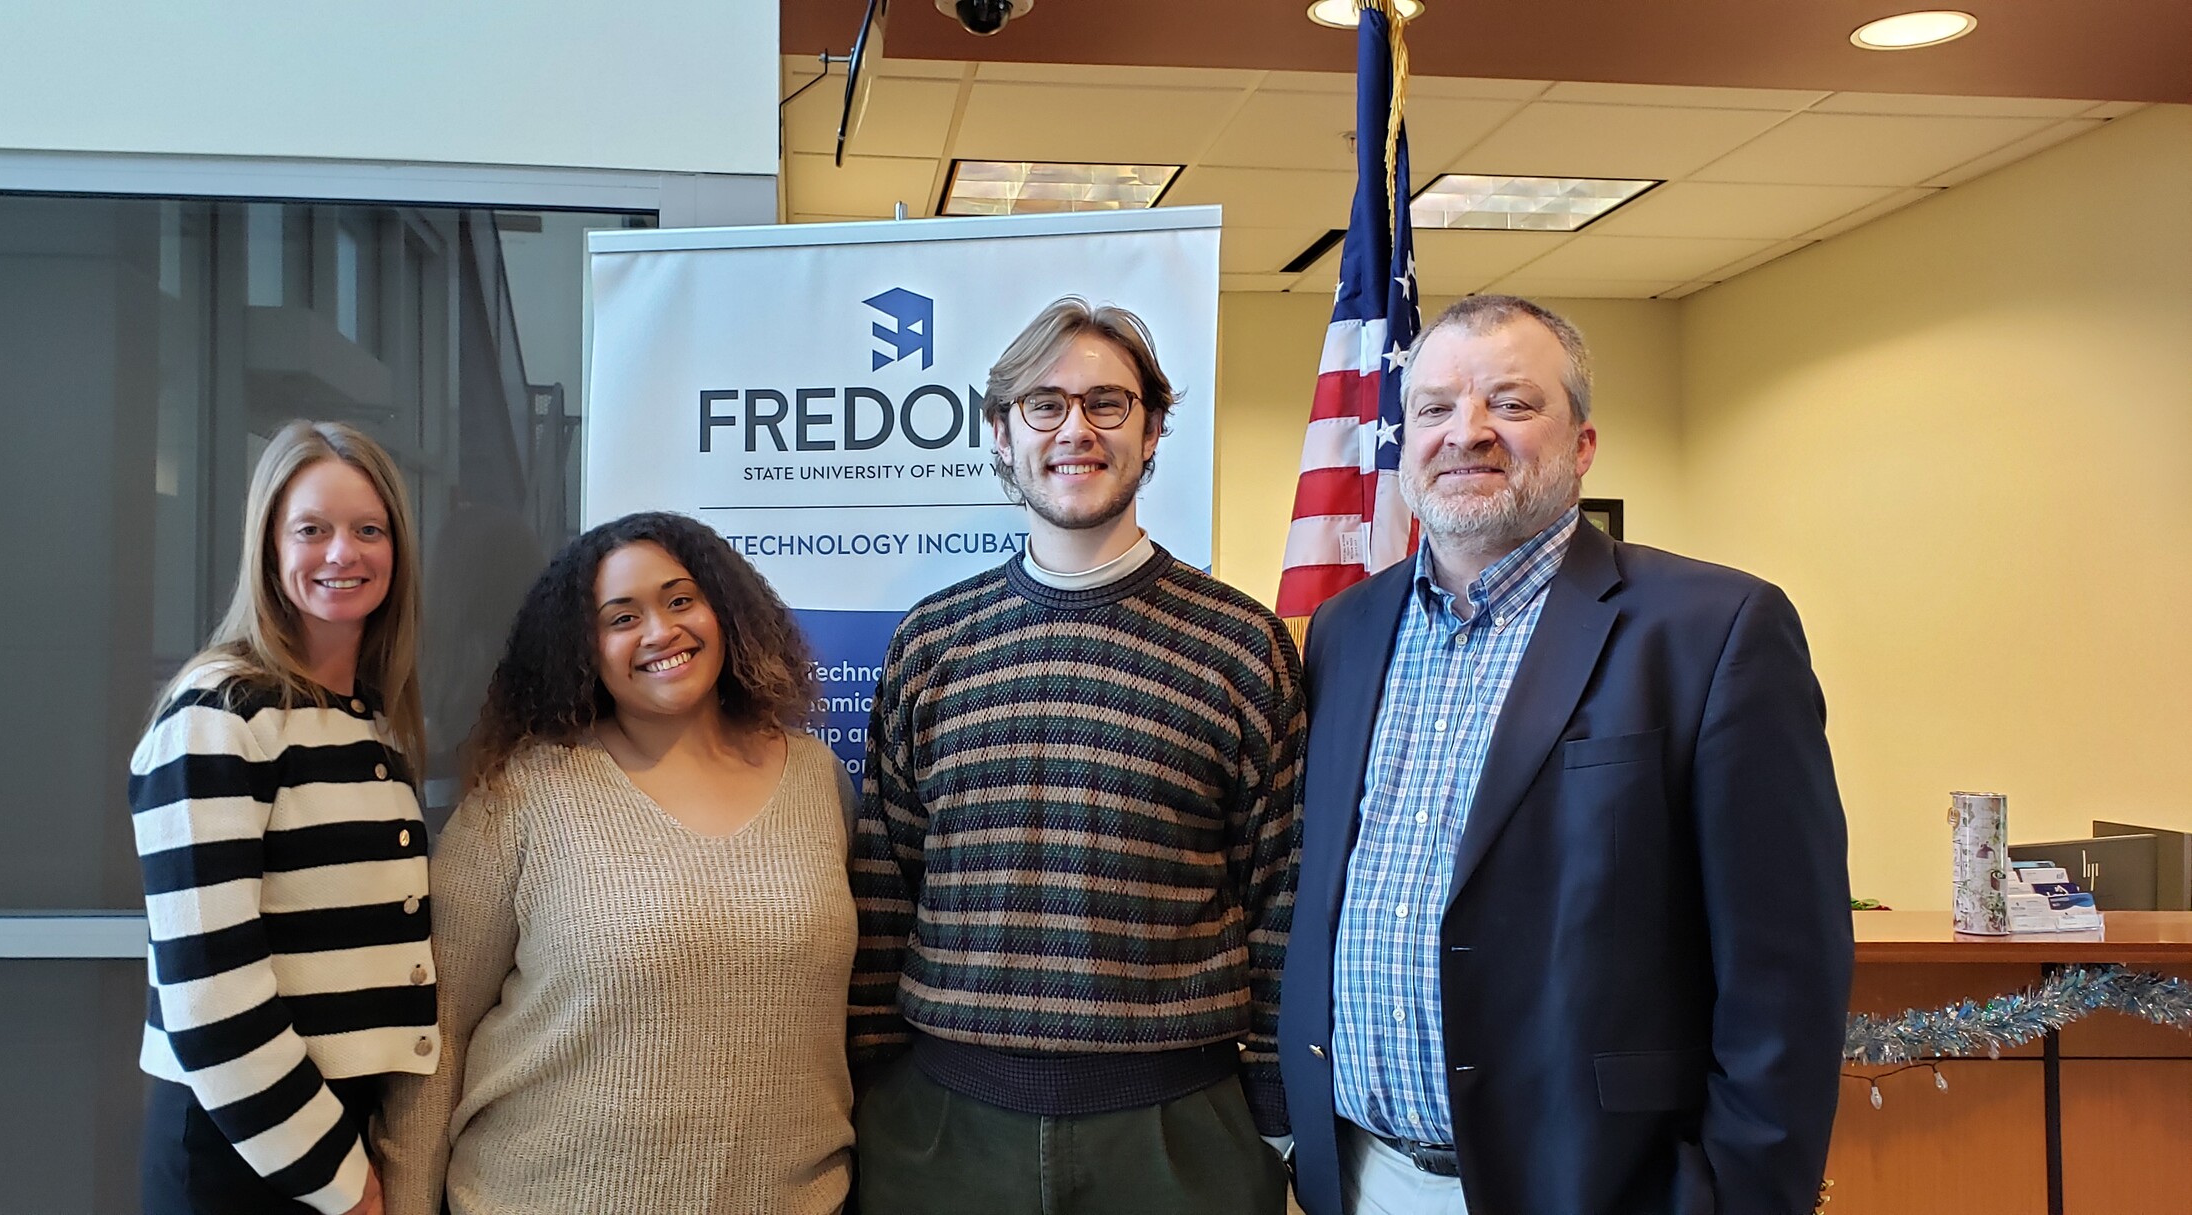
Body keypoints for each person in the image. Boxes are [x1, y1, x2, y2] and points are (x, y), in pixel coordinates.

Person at [1283, 295, 1853, 1215]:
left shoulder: (1714, 631)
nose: (1465, 433)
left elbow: (1784, 979)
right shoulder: (1345, 632)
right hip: (1359, 1178)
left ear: (1583, 445)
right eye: (1433, 409)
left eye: (1510, 402)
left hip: (1598, 1187)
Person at [848, 297, 1305, 1215]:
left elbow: (1282, 896)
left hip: (1181, 1136)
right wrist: (873, 1089)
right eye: (1044, 405)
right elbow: (886, 886)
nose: (1075, 430)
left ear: (1153, 430)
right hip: (942, 1130)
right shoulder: (932, 642)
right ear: (1002, 434)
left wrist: (1273, 1104)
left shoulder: (1241, 645)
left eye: (1108, 402)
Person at [375, 512, 855, 1215]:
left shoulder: (819, 780)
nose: (661, 631)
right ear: (583, 649)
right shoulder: (522, 796)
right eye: (621, 616)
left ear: (726, 610)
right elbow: (438, 1028)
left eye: (681, 599)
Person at [131, 420, 437, 1215]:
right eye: (313, 529)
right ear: (269, 547)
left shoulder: (369, 718)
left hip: (334, 1136)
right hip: (249, 1153)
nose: (344, 553)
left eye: (369, 530)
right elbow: (211, 993)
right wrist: (341, 1181)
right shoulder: (218, 713)